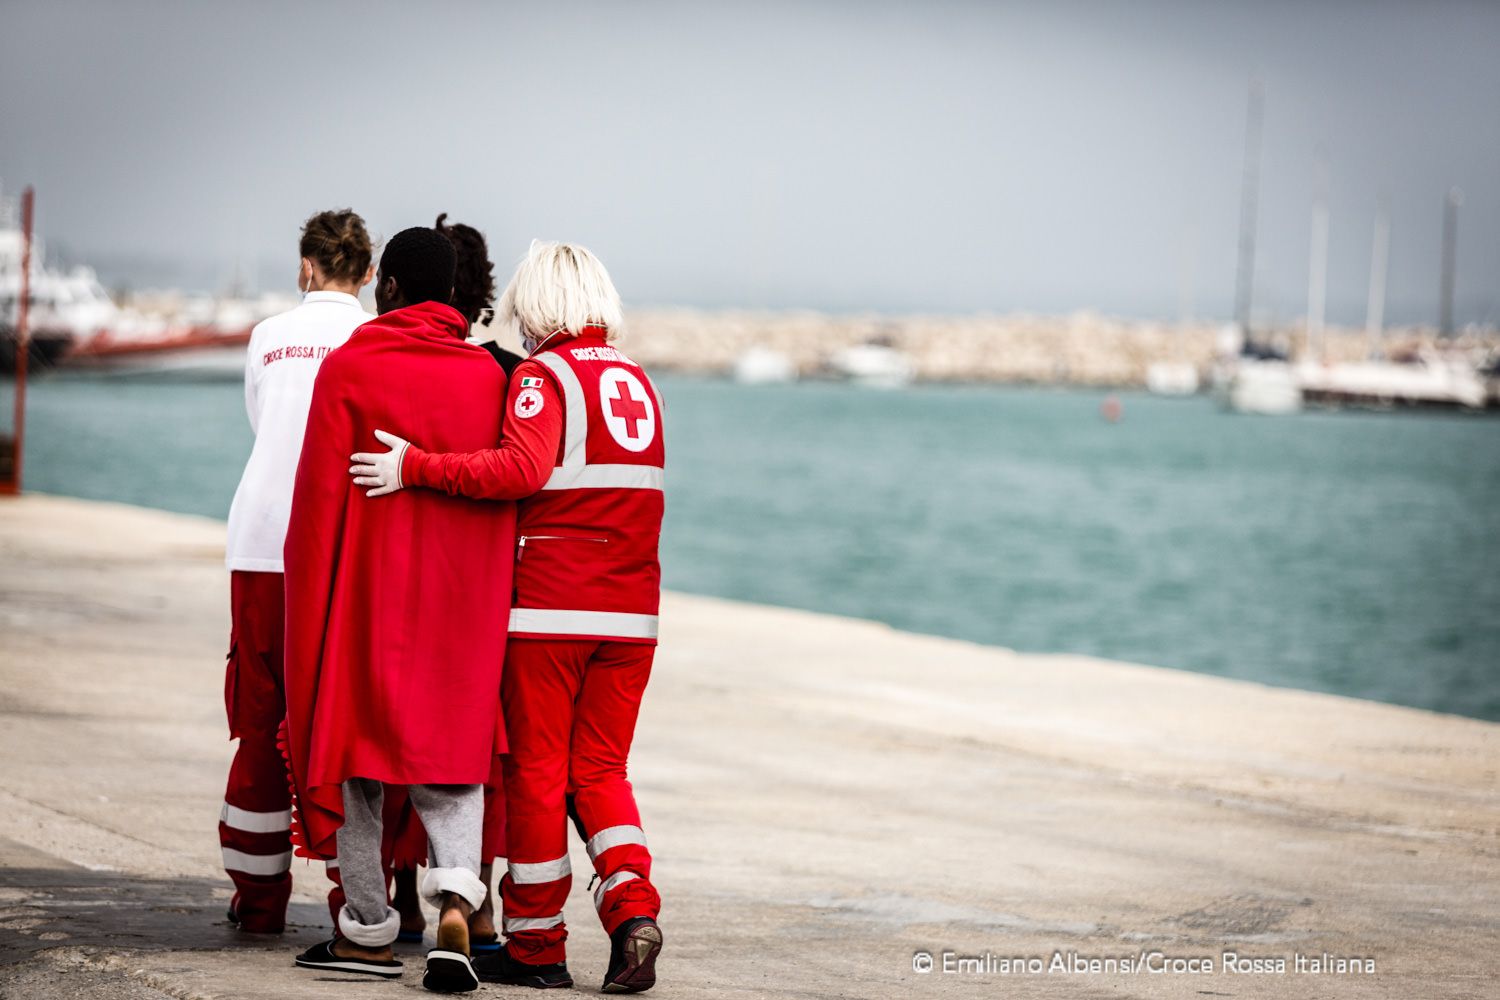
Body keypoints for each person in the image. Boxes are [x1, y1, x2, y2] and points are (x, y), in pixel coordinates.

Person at [349, 240, 665, 993]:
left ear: (541, 306)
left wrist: (415, 467)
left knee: (536, 773)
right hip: (631, 616)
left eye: (524, 311)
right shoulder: (638, 381)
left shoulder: (542, 376)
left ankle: (536, 945)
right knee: (602, 771)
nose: (519, 326)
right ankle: (632, 912)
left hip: (552, 609)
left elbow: (519, 469)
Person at [283, 226, 517, 992]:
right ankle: (455, 909)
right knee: (453, 766)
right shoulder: (490, 380)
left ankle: (368, 931)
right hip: (461, 609)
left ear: (385, 286)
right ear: (450, 293)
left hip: (366, 602)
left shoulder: (350, 368)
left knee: (356, 765)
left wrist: (306, 615)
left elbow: (316, 507)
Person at [219, 208, 372, 935]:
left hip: (258, 538)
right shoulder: (373, 339)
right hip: (336, 545)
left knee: (257, 720)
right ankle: (354, 902)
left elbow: (263, 423)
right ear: (369, 274)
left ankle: (257, 898)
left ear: (306, 266)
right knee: (341, 725)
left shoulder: (267, 335)